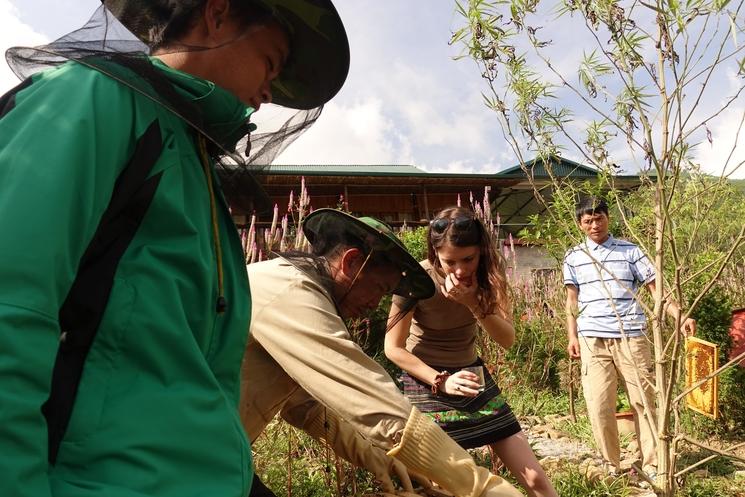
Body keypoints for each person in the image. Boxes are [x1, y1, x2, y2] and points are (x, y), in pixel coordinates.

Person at [0, 1, 349, 497]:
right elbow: (11, 304)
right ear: (218, 14)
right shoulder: (93, 98)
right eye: (270, 62)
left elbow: (184, 377)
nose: (270, 92)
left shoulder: (193, 168)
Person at [241, 208, 524, 497]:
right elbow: (372, 401)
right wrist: (482, 488)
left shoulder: (290, 287)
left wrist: (381, 461)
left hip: (217, 453)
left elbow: (305, 405)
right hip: (199, 460)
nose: (376, 304)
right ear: (351, 262)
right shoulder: (291, 294)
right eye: (378, 288)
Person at [384, 206, 558, 497]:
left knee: (535, 478)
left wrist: (472, 303)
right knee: (445, 485)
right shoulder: (416, 279)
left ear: (481, 251)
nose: (461, 270)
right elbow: (393, 348)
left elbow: (507, 339)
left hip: (472, 375)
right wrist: (440, 380)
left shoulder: (491, 276)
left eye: (469, 259)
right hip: (426, 381)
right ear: (434, 253)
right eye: (450, 262)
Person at [563, 196, 696, 479]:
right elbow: (571, 300)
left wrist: (679, 316)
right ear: (580, 224)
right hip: (591, 339)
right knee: (599, 403)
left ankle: (652, 464)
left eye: (599, 218)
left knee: (643, 401)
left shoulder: (631, 251)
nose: (594, 225)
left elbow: (655, 288)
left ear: (608, 218)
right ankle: (610, 465)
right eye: (588, 221)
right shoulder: (573, 256)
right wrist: (571, 335)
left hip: (631, 336)